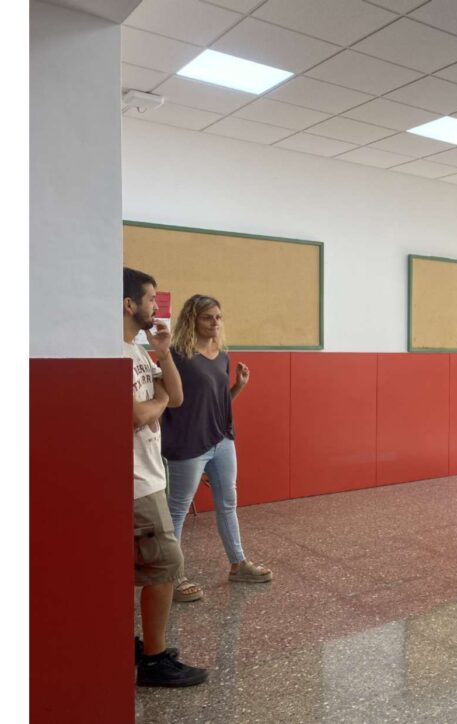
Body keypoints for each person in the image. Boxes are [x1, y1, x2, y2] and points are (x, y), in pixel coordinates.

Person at [123, 268, 208, 687]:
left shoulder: (138, 352)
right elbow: (137, 415)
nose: (156, 307)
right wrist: (155, 401)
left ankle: (134, 645)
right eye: (150, 299)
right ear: (129, 305)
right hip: (136, 482)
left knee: (145, 565)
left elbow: (175, 396)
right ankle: (155, 660)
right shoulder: (113, 355)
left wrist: (163, 353)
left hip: (149, 475)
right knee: (166, 564)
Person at [163, 294, 272, 602]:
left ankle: (238, 564)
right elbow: (170, 401)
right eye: (207, 317)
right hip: (189, 442)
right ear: (192, 319)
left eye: (218, 317)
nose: (215, 323)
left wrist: (238, 387)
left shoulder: (222, 356)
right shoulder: (177, 355)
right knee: (178, 509)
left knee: (227, 502)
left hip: (221, 439)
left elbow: (218, 403)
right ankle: (171, 577)